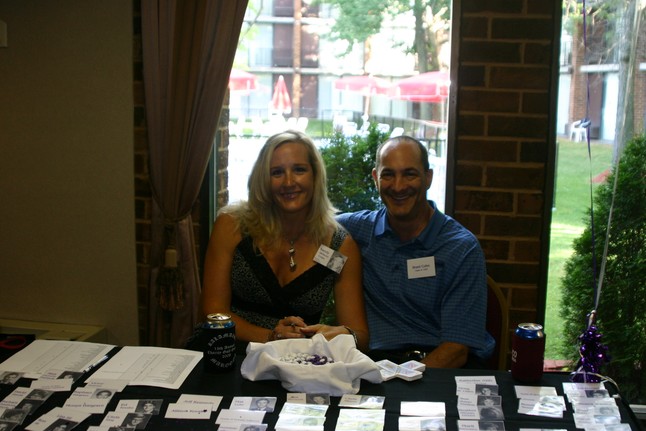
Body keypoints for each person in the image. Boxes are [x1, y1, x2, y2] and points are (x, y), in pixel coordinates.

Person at [201, 130, 369, 351]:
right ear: (263, 179)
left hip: (299, 361)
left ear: (315, 175)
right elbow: (212, 313)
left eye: (299, 170)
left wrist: (339, 335)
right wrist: (271, 337)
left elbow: (360, 337)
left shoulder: (338, 247)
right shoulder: (232, 226)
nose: (289, 182)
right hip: (227, 352)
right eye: (277, 172)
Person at [337, 135, 495, 368]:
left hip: (438, 369)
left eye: (409, 174)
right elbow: (311, 224)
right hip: (377, 367)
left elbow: (456, 350)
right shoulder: (358, 230)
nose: (398, 186)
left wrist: (404, 379)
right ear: (375, 178)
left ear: (428, 178)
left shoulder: (460, 248)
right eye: (388, 175)